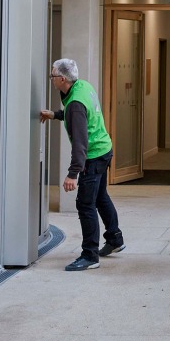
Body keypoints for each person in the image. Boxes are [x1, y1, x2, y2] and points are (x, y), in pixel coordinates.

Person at [40, 58, 125, 271]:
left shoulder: (75, 104)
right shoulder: (82, 86)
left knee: (85, 204)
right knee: (100, 196)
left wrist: (72, 174)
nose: (51, 79)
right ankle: (115, 239)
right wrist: (56, 114)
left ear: (61, 79)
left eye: (52, 76)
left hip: (93, 156)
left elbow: (80, 142)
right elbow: (80, 116)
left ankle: (90, 256)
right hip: (104, 149)